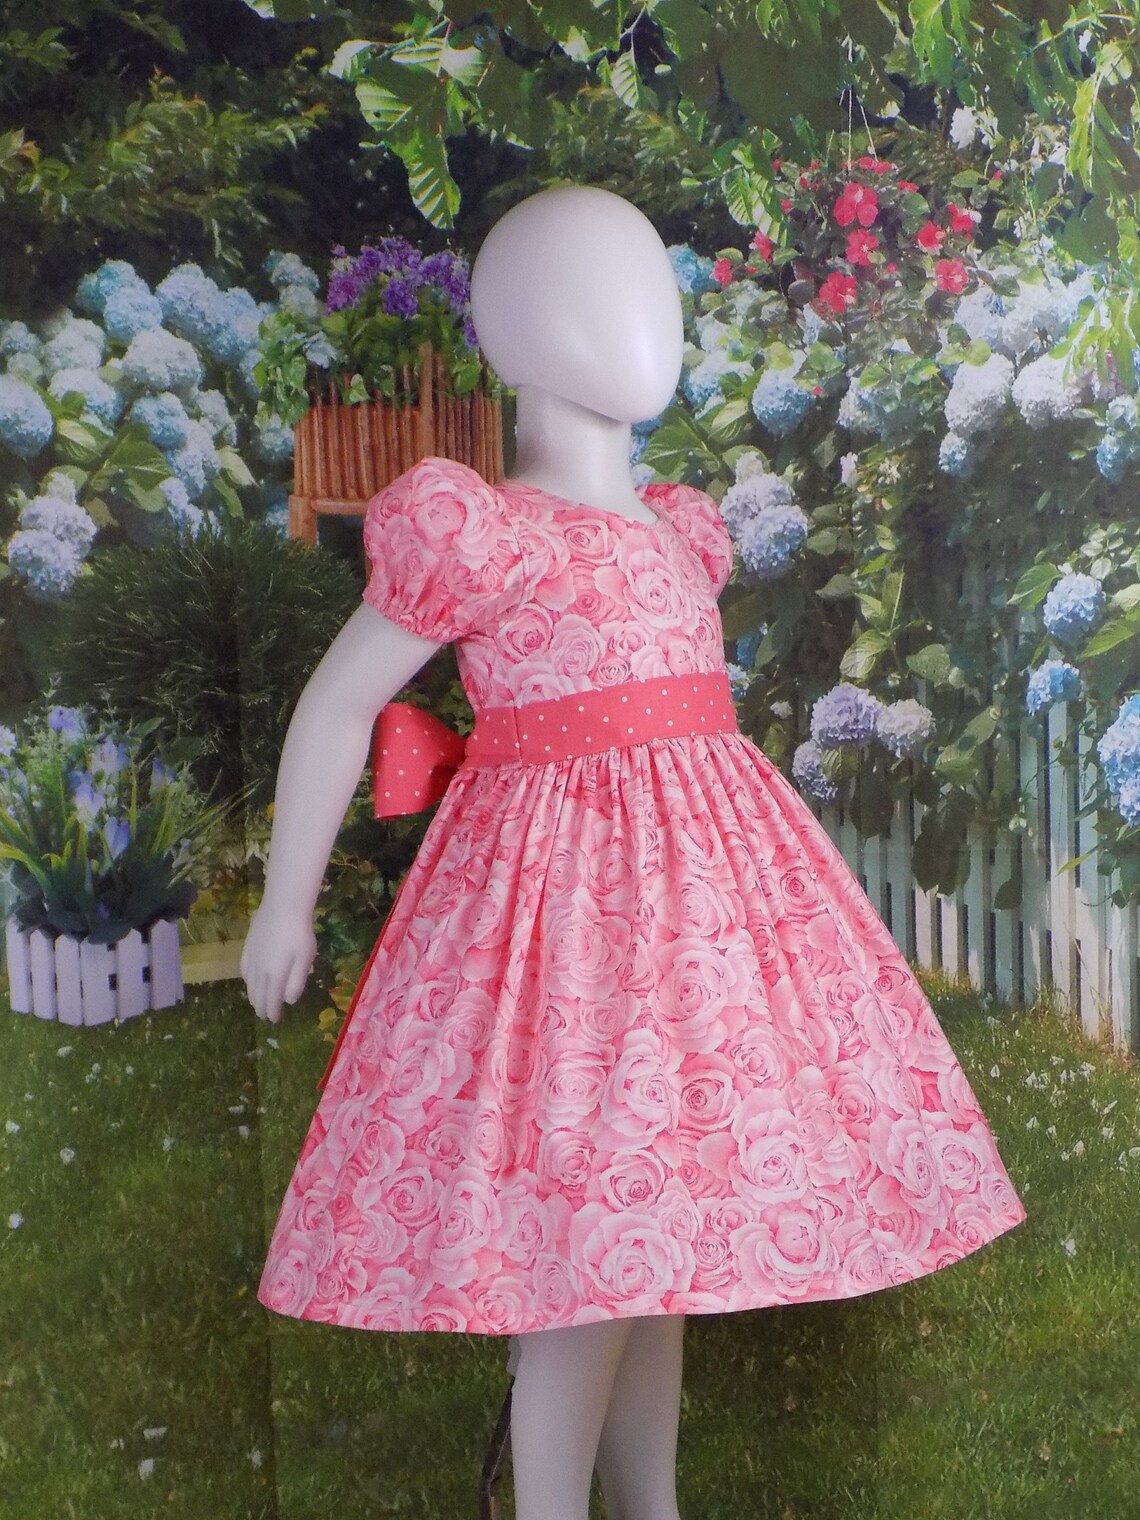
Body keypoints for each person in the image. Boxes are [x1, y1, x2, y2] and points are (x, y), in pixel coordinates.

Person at [242, 185, 1025, 1520]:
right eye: (604, 295)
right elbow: (336, 705)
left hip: (706, 918)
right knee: (590, 1245)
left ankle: (649, 1504)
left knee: (661, 1246)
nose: (647, 324)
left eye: (653, 292)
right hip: (562, 926)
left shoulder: (677, 531)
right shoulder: (486, 532)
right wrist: (282, 904)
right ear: (519, 333)